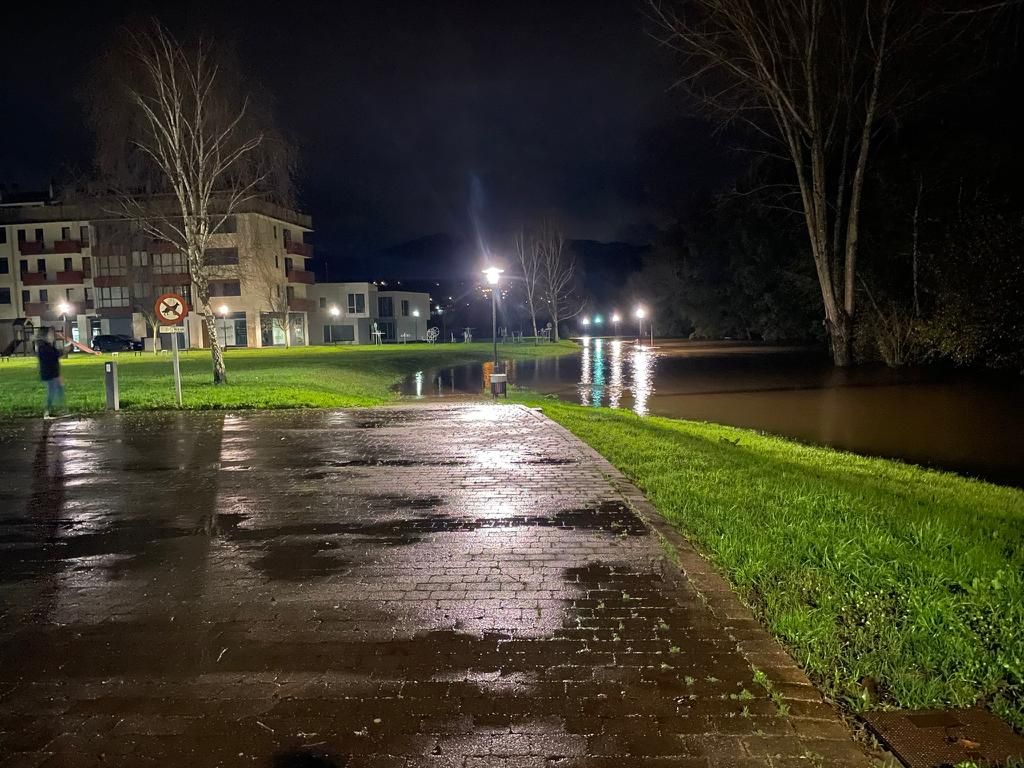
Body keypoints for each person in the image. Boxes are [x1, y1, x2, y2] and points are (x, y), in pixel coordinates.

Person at [37, 328, 64, 419]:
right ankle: (47, 412)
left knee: (59, 390)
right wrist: (64, 350)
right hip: (49, 374)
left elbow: (55, 355)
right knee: (52, 393)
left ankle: (58, 409)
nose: (52, 336)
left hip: (53, 373)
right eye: (50, 335)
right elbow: (54, 355)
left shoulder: (48, 346)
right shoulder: (43, 347)